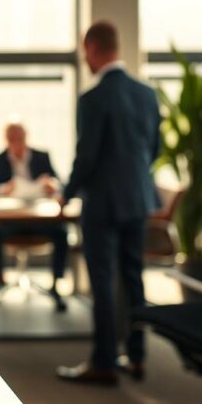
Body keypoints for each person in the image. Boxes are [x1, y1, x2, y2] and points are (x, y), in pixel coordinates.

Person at [56, 21, 161, 385]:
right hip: (138, 199)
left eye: (85, 51)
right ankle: (137, 355)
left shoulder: (92, 98)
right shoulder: (147, 94)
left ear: (93, 47)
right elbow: (154, 150)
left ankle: (103, 362)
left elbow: (86, 159)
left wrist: (66, 194)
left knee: (101, 281)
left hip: (102, 203)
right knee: (134, 277)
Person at [0, 121, 68, 311]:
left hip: (38, 218)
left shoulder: (41, 157)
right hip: (9, 220)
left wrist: (52, 186)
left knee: (61, 233)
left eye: (19, 138)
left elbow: (58, 183)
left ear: (26, 137)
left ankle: (56, 284)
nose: (16, 142)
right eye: (12, 139)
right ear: (6, 140)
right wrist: (2, 190)